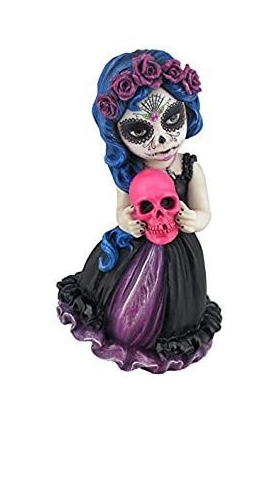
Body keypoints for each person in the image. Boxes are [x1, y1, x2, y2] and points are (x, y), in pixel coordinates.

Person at [56, 49, 222, 373]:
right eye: (140, 131)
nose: (161, 139)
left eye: (172, 120)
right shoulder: (130, 172)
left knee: (175, 306)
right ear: (117, 134)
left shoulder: (190, 169)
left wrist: (195, 219)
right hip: (134, 245)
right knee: (125, 305)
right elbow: (121, 209)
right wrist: (127, 221)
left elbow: (205, 212)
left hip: (178, 252)